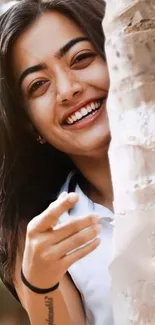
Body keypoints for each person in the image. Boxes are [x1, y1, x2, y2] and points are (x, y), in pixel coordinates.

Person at [0, 0, 114, 324]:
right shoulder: (45, 234)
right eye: (38, 85)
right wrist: (40, 285)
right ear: (28, 123)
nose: (68, 90)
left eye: (81, 58)